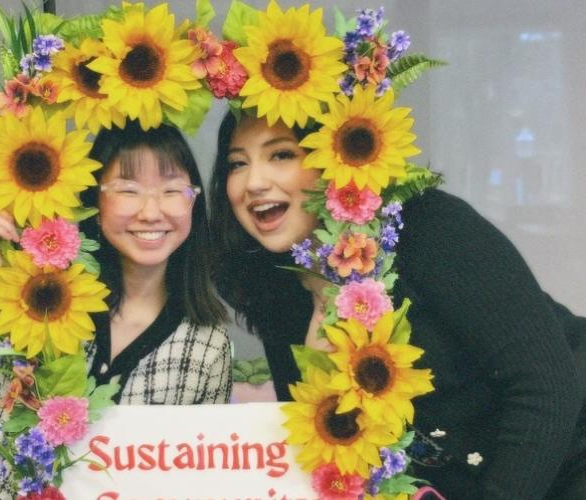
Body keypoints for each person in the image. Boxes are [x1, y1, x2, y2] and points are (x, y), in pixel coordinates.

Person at [209, 112, 586, 500]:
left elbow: (547, 387)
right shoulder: (274, 288)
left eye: (281, 155)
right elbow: (331, 449)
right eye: (238, 163)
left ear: (338, 157)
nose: (253, 182)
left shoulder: (427, 225)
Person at [0, 122, 231, 500]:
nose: (151, 211)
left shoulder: (207, 347)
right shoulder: (34, 285)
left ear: (194, 202)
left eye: (171, 190)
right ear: (94, 201)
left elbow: (189, 478)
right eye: (127, 189)